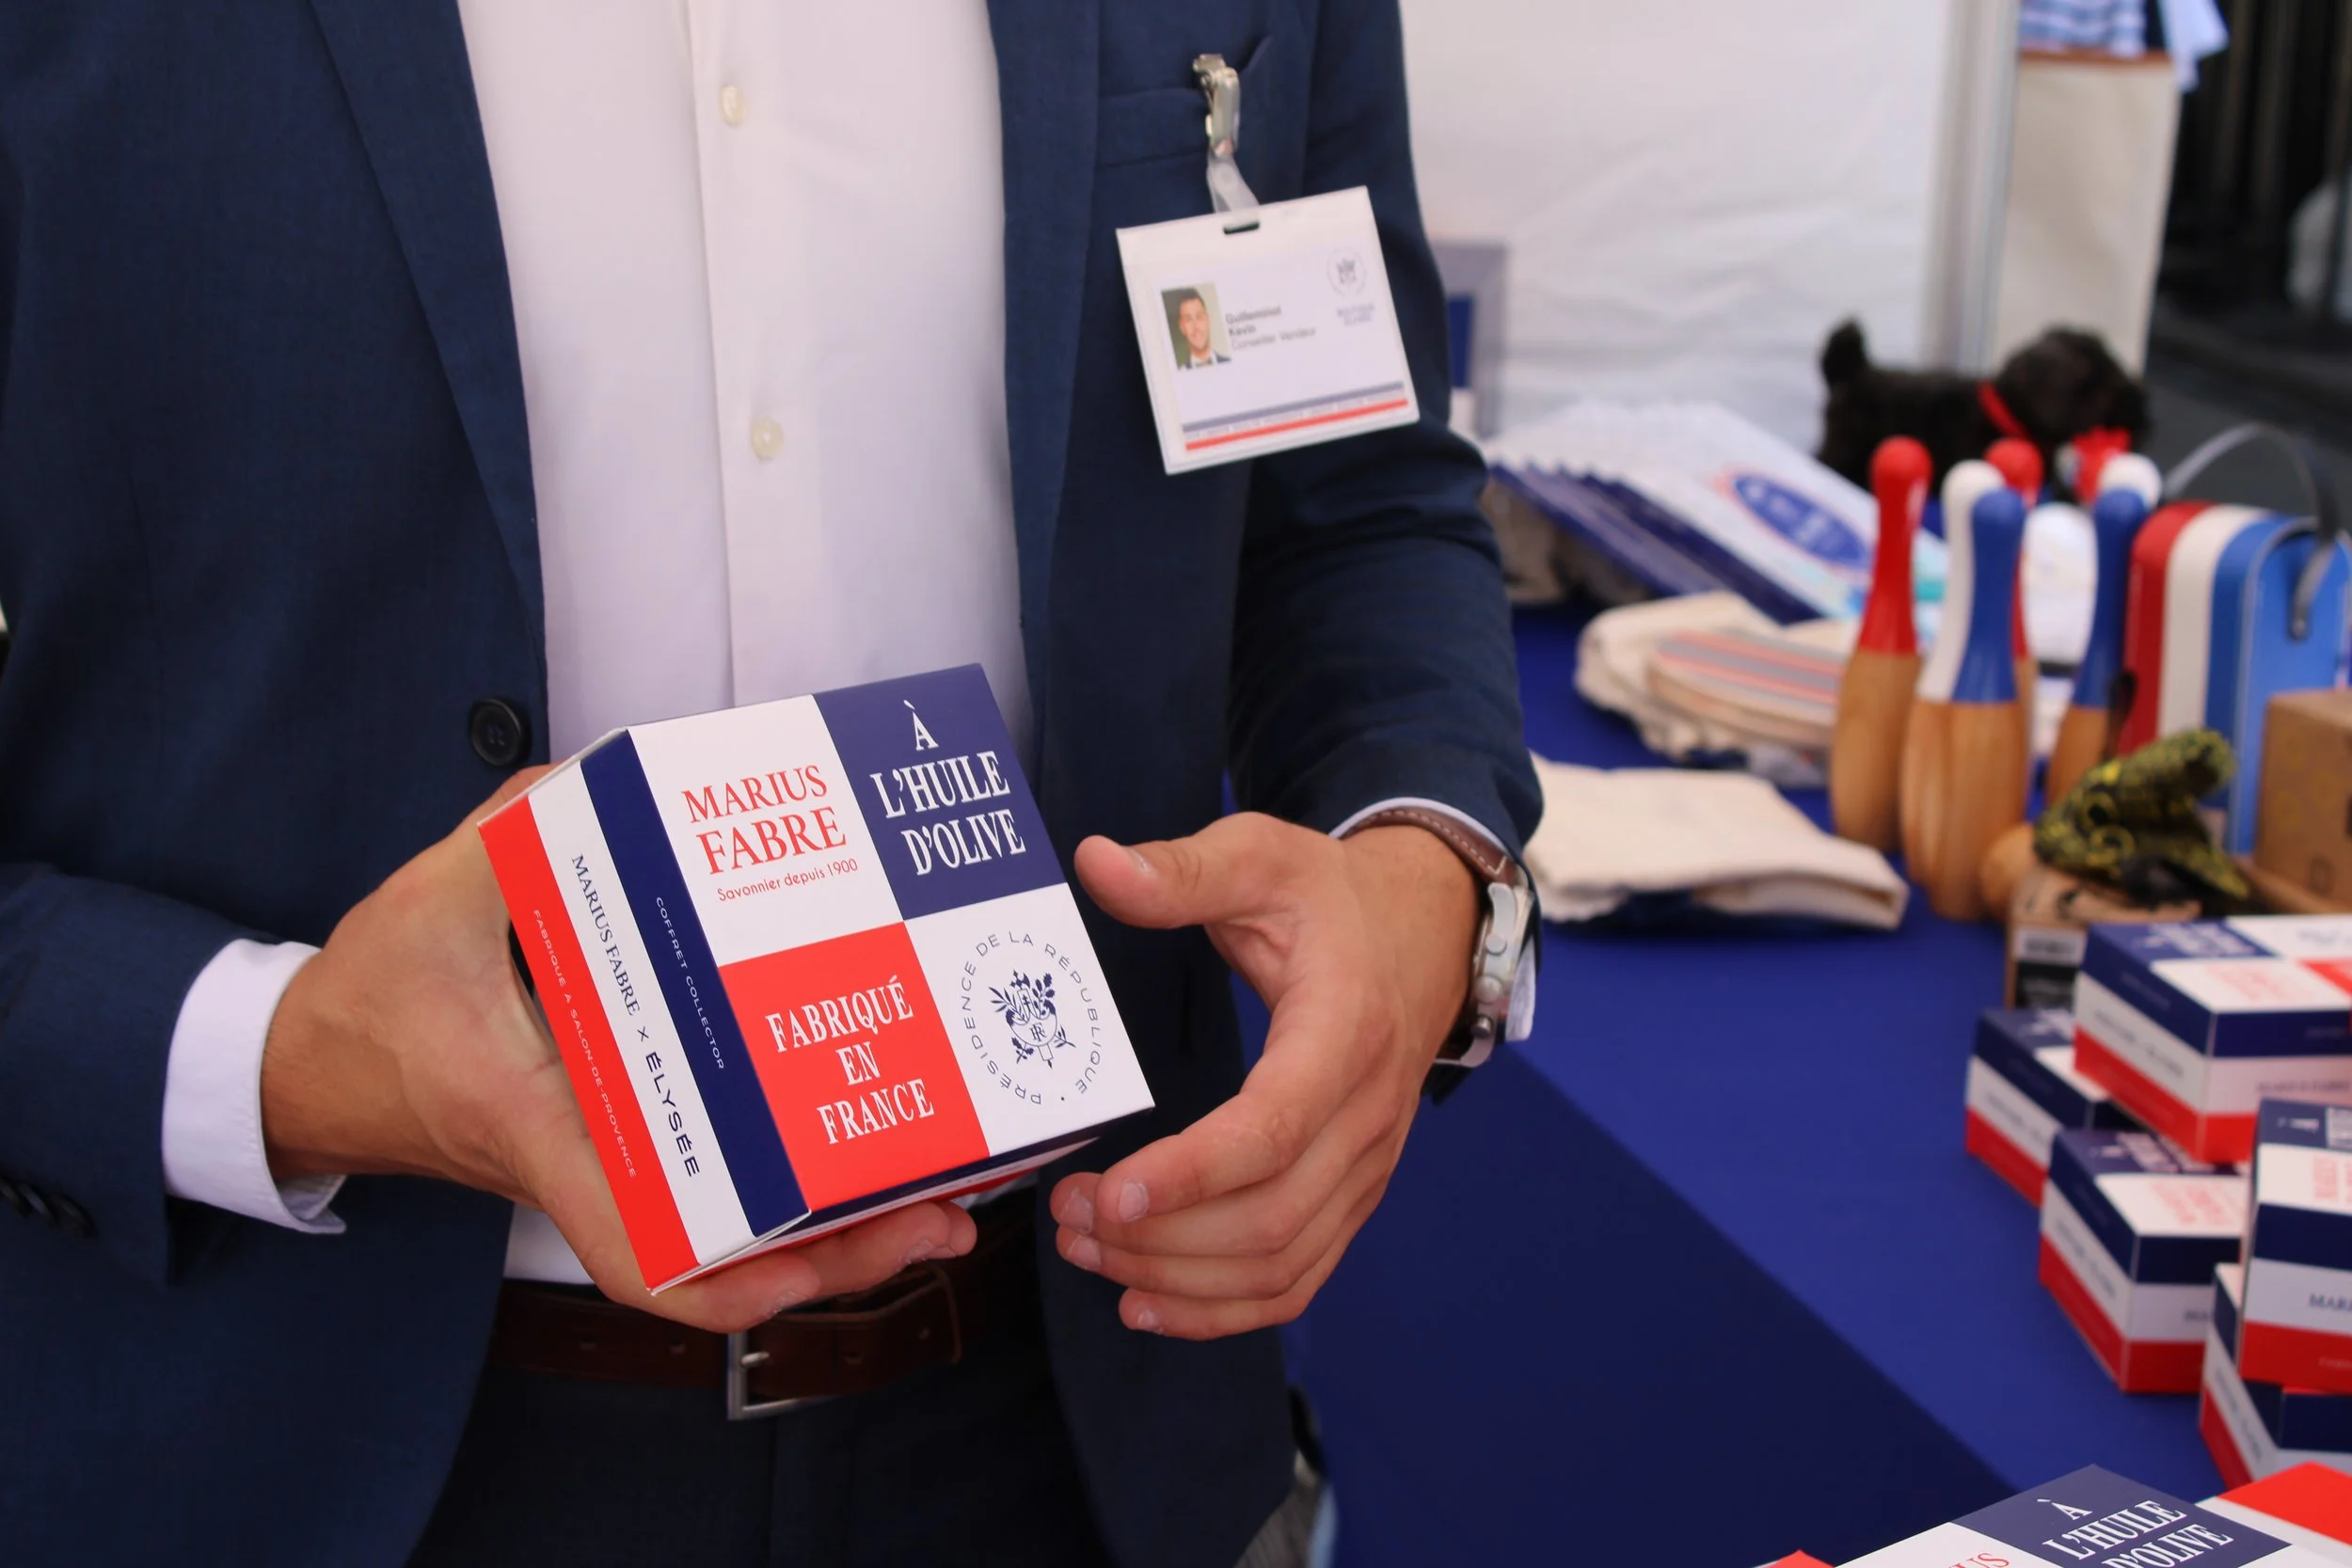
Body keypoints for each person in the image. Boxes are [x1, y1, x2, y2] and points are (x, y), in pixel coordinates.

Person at [0, 4, 1538, 1566]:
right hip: (280, 1419)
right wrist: (282, 1056)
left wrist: (1424, 866)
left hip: (1079, 1400)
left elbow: (1351, 506)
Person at [1172, 291, 1229, 369]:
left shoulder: (1230, 363)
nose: (1196, 327)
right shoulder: (1180, 373)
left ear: (1208, 320)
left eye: (1199, 317)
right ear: (1182, 327)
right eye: (1188, 320)